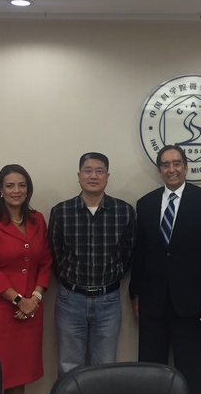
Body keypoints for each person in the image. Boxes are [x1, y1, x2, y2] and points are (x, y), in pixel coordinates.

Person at [129, 145, 201, 394]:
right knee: (150, 373)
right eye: (165, 164)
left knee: (192, 373)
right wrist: (136, 294)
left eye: (176, 163)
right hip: (152, 304)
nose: (171, 169)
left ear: (185, 167)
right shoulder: (145, 203)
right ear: (159, 170)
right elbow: (140, 254)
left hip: (193, 305)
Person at [0, 164, 52, 394]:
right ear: (0, 190)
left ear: (28, 189)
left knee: (19, 374)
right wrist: (19, 300)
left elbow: (45, 262)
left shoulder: (37, 219)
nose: (16, 190)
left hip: (30, 310)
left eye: (21, 185)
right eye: (10, 185)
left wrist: (34, 298)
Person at [48, 152, 136, 376]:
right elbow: (54, 255)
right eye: (88, 170)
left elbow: (129, 254)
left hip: (108, 301)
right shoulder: (61, 212)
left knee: (104, 368)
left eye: (99, 171)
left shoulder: (124, 212)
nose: (93, 176)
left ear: (107, 176)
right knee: (68, 367)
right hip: (70, 300)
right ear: (79, 176)